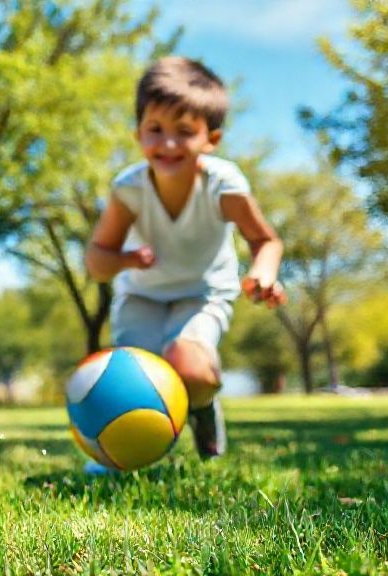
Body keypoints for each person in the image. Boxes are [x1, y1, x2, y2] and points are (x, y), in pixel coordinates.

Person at [84, 56, 285, 464]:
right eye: (155, 130)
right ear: (138, 134)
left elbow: (266, 240)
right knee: (134, 386)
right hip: (141, 297)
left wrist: (262, 274)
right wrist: (125, 259)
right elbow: (96, 262)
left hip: (202, 293)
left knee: (188, 368)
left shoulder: (223, 186)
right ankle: (126, 450)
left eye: (184, 132)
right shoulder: (129, 189)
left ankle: (203, 407)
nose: (168, 144)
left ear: (210, 139)